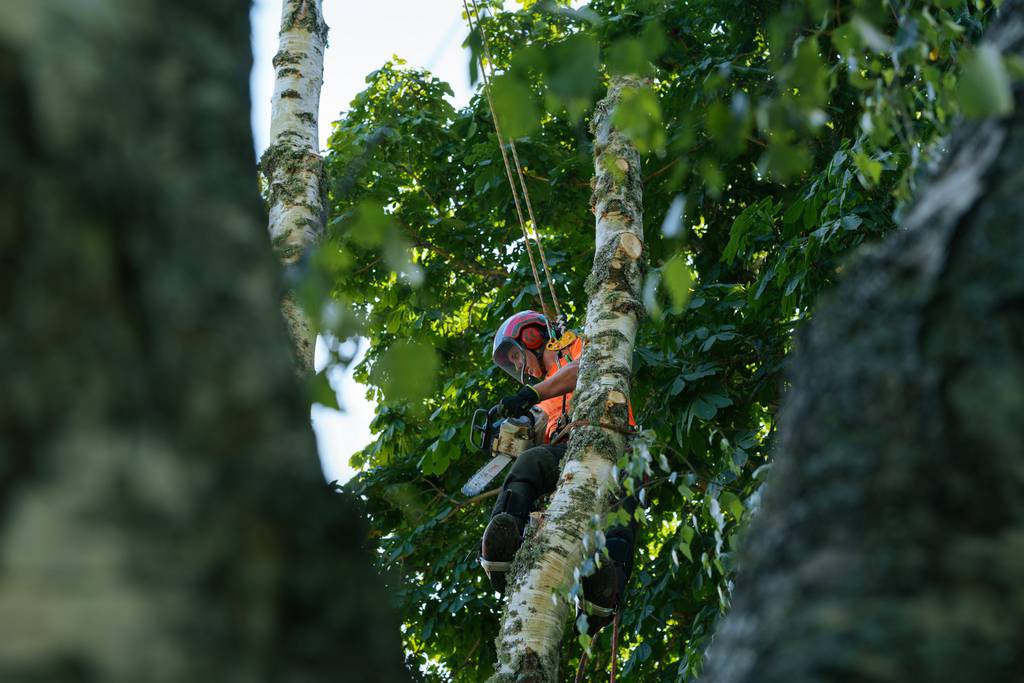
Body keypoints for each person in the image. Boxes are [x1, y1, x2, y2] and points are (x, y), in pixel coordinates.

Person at [481, 310, 638, 634]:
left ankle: (605, 591)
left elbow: (584, 371)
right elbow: (539, 425)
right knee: (532, 462)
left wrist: (532, 394)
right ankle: (503, 545)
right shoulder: (548, 394)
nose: (517, 364)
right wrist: (513, 428)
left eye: (515, 354)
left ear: (532, 337)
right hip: (573, 450)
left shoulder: (577, 348)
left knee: (620, 514)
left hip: (618, 445)